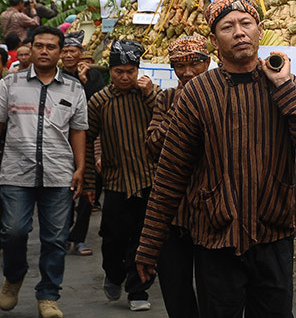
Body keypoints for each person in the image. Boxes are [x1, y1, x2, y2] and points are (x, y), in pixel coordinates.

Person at [135, 0, 296, 317]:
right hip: (215, 239)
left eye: (246, 23)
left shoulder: (284, 84)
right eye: (227, 27)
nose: (239, 32)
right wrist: (150, 244)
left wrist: (284, 88)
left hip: (272, 234)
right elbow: (171, 173)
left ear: (259, 29)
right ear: (214, 39)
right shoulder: (198, 93)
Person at [0, 25, 87, 318]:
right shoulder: (9, 84)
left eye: (51, 46)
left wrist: (81, 167)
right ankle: (13, 276)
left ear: (61, 52)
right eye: (39, 46)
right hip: (16, 171)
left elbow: (78, 130)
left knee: (55, 239)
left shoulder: (74, 88)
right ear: (32, 48)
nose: (45, 51)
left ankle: (48, 296)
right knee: (13, 232)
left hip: (59, 172)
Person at [84, 39, 158, 311]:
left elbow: (166, 119)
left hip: (149, 180)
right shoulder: (100, 101)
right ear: (110, 72)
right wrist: (90, 182)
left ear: (138, 70)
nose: (125, 77)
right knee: (113, 237)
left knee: (145, 240)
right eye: (119, 72)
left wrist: (150, 94)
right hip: (115, 181)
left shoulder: (151, 95)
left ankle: (138, 291)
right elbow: (89, 139)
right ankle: (113, 274)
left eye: (130, 71)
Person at [143, 35, 210, 318]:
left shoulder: (219, 94)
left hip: (210, 209)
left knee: (213, 288)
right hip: (174, 209)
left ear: (207, 62)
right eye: (178, 67)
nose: (186, 73)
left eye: (194, 65)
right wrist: (179, 107)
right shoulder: (167, 98)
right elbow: (154, 145)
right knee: (175, 284)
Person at [61, 30, 106, 257]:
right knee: (64, 190)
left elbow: (95, 104)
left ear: (81, 53)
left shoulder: (94, 75)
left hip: (87, 139)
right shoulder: (56, 75)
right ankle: (64, 234)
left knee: (88, 190)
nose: (69, 55)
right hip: (61, 140)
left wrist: (84, 81)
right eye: (65, 51)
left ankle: (78, 238)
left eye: (73, 51)